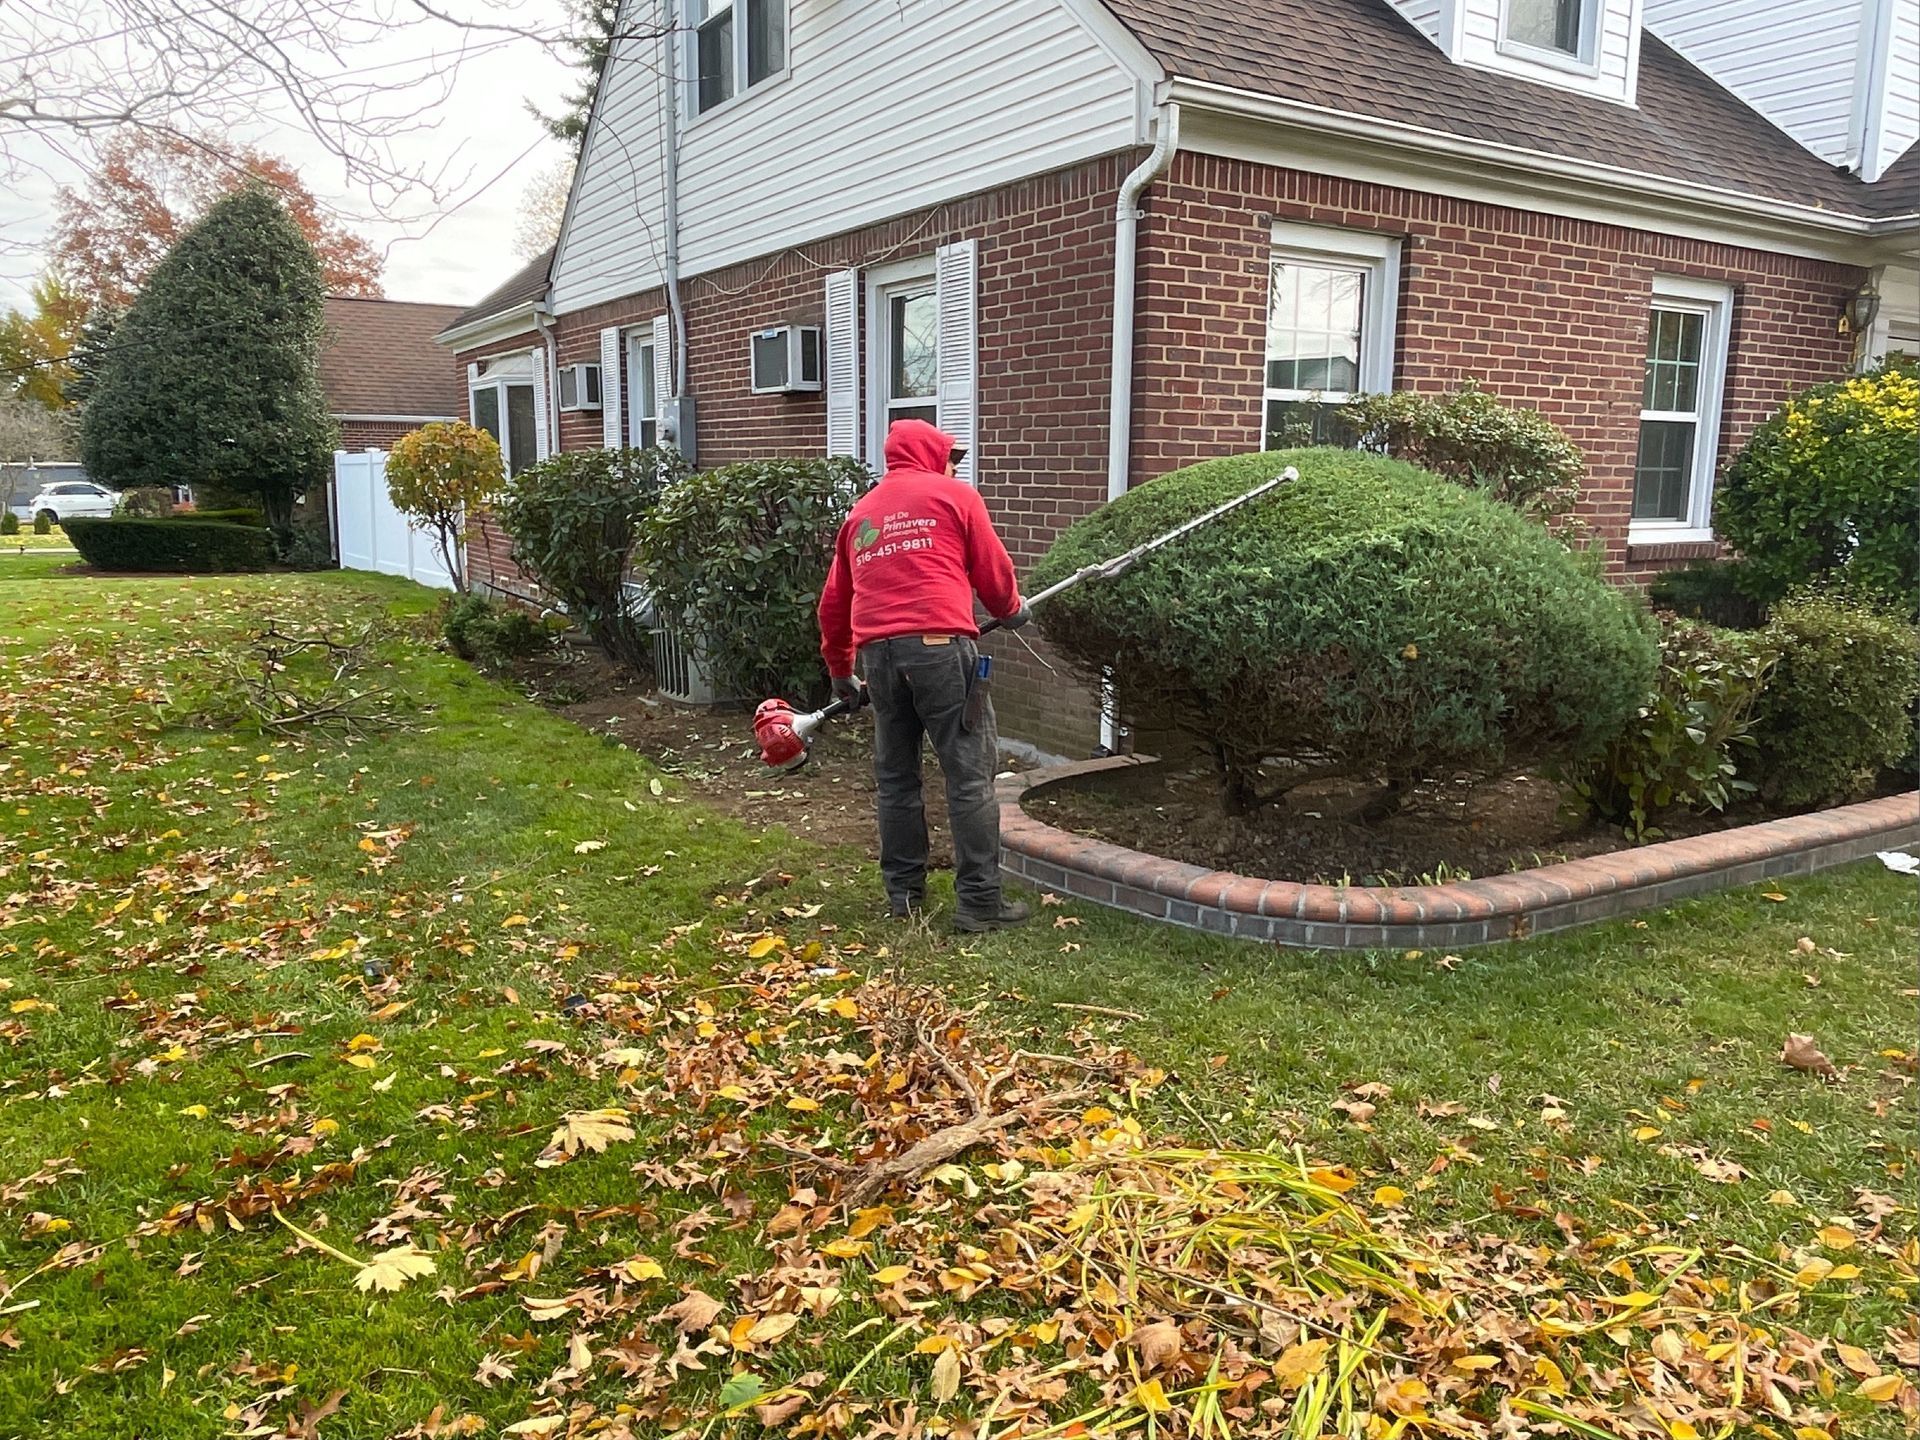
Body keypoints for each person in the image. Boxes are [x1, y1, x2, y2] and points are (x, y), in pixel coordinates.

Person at [817, 418, 1033, 931]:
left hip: (879, 658)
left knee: (895, 778)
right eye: (950, 456)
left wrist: (841, 672)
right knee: (969, 775)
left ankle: (903, 896)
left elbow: (833, 605)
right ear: (932, 454)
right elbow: (993, 573)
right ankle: (980, 902)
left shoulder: (862, 514)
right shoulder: (954, 497)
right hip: (939, 651)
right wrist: (1011, 608)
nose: (954, 464)